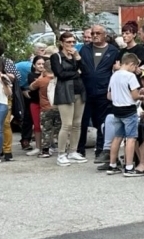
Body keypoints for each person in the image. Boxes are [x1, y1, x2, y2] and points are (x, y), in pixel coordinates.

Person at [77, 25, 120, 162]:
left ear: (104, 35)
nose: (95, 35)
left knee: (102, 122)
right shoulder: (85, 49)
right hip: (86, 90)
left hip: (103, 91)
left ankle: (101, 150)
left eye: (98, 33)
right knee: (83, 121)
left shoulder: (113, 51)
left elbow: (117, 70)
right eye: (93, 33)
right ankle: (79, 149)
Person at [97, 53, 144, 175]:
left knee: (117, 137)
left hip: (116, 109)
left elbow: (109, 96)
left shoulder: (114, 76)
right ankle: (129, 167)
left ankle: (112, 165)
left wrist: (120, 97)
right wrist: (141, 96)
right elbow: (134, 96)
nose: (135, 70)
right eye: (135, 67)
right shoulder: (131, 76)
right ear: (131, 64)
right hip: (129, 109)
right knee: (131, 138)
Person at [49, 32, 86, 165]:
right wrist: (76, 73)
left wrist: (78, 58)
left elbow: (85, 71)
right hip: (64, 92)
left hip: (79, 91)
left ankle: (73, 151)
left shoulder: (75, 56)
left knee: (77, 124)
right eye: (68, 42)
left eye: (73, 42)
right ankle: (61, 153)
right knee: (67, 124)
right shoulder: (56, 56)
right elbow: (60, 73)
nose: (71, 44)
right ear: (61, 43)